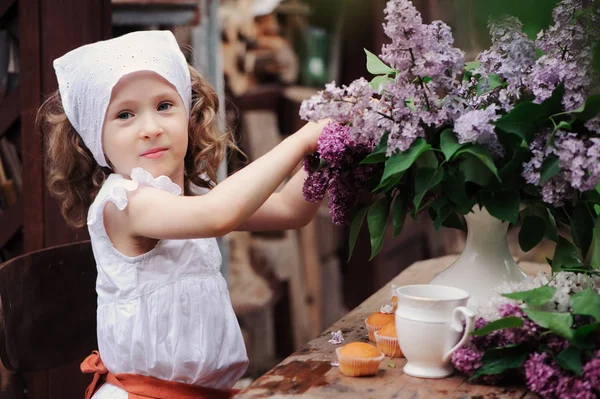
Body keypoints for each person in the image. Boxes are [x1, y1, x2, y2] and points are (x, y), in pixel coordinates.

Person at [37, 30, 326, 399]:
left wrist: (331, 153)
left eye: (164, 106)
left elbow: (290, 210)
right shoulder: (125, 204)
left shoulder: (192, 193)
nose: (151, 128)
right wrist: (301, 141)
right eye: (125, 114)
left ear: (189, 115)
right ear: (95, 137)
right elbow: (217, 215)